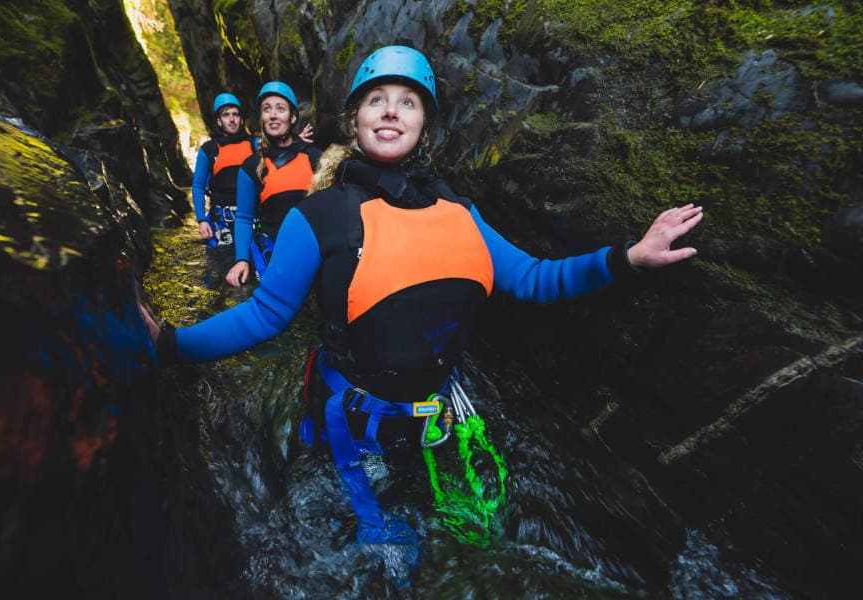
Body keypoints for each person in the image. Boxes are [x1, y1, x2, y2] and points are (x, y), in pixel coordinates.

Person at [143, 46, 703, 547]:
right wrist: (170, 343)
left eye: (407, 102)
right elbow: (263, 317)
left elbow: (535, 278)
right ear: (354, 121)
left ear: (424, 127)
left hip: (438, 424)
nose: (391, 111)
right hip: (353, 433)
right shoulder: (317, 217)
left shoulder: (461, 214)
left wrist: (629, 256)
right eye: (377, 100)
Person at [225, 81, 321, 286]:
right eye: (267, 109)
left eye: (280, 109)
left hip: (313, 251)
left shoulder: (314, 158)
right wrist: (241, 260)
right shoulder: (251, 166)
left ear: (292, 117)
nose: (273, 115)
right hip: (273, 252)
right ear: (261, 118)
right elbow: (244, 217)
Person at [192, 93, 255, 247]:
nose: (232, 119)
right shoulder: (209, 150)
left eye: (235, 114)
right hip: (221, 221)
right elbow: (198, 186)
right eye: (226, 115)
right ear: (219, 121)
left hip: (252, 216)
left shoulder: (255, 145)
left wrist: (297, 140)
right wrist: (201, 221)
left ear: (241, 119)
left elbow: (279, 150)